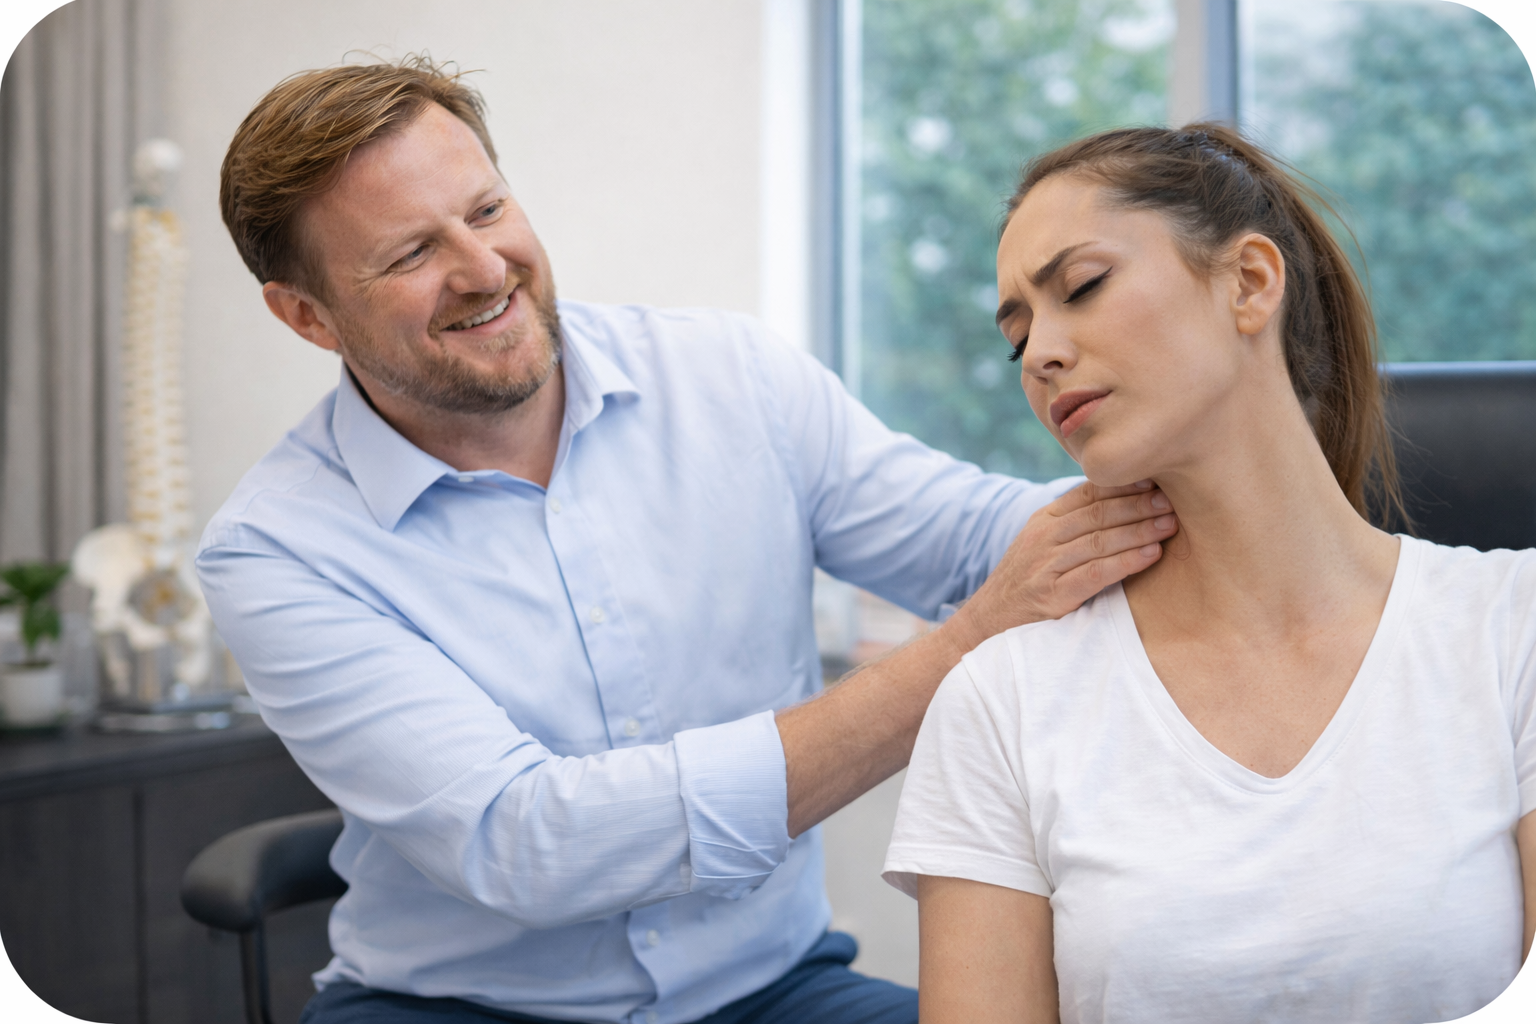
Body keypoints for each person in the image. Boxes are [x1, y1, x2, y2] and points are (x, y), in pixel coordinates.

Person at [198, 57, 1179, 1024]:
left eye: (488, 210)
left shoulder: (727, 375)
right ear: (308, 316)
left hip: (775, 992)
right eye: (412, 254)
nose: (485, 269)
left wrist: (1196, 482)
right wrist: (970, 641)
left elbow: (968, 535)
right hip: (458, 1010)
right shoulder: (278, 549)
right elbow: (531, 841)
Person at [882, 123, 1536, 1024]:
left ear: (1251, 282)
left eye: (1083, 287)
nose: (1039, 356)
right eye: (1017, 336)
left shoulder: (1513, 630)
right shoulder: (1001, 702)